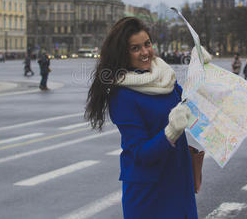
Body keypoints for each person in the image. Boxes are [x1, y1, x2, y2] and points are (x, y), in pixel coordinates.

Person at [84, 17, 199, 219]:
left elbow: (191, 107)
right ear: (123, 53)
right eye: (135, 48)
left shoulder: (165, 78)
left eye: (147, 44)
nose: (145, 52)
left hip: (179, 179)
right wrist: (172, 131)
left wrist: (201, 72)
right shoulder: (122, 95)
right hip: (150, 193)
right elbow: (140, 153)